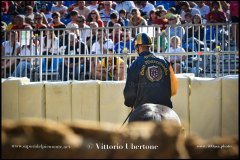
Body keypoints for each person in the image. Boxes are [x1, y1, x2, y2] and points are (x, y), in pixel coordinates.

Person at [123, 32, 178, 110]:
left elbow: (130, 90)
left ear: (138, 47)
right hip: (165, 105)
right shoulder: (164, 61)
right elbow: (174, 88)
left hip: (142, 106)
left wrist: (130, 103)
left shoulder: (135, 64)